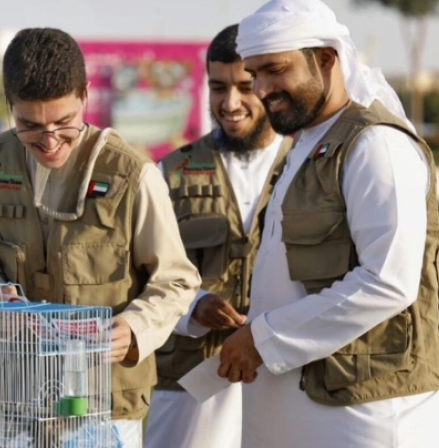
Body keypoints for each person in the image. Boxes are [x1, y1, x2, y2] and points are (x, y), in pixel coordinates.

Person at [217, 1, 439, 447]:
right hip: (312, 400)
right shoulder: (309, 143)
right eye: (255, 73)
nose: (261, 89)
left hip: (370, 410)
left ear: (326, 58)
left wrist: (264, 338)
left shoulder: (375, 144)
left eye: (274, 70)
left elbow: (388, 281)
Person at [0, 28, 200, 447]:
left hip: (99, 406)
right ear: (9, 103)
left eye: (64, 124)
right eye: (29, 126)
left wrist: (134, 328)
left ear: (85, 96)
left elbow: (176, 281)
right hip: (5, 398)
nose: (49, 141)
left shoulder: (131, 174)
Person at [145, 24, 290, 448]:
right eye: (217, 87)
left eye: (246, 86)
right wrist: (193, 306)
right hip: (191, 378)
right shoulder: (168, 173)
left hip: (283, 371)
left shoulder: (308, 166)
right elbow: (141, 273)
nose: (230, 103)